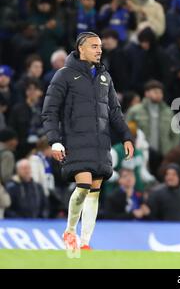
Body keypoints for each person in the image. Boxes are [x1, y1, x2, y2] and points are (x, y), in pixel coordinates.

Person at [41, 32, 134, 258]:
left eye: (100, 46)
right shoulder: (64, 75)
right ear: (81, 48)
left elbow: (114, 112)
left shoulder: (105, 77)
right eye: (94, 46)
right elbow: (50, 111)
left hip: (100, 143)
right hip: (75, 141)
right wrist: (54, 141)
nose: (99, 50)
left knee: (94, 193)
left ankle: (84, 242)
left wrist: (126, 137)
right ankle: (70, 231)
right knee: (82, 187)